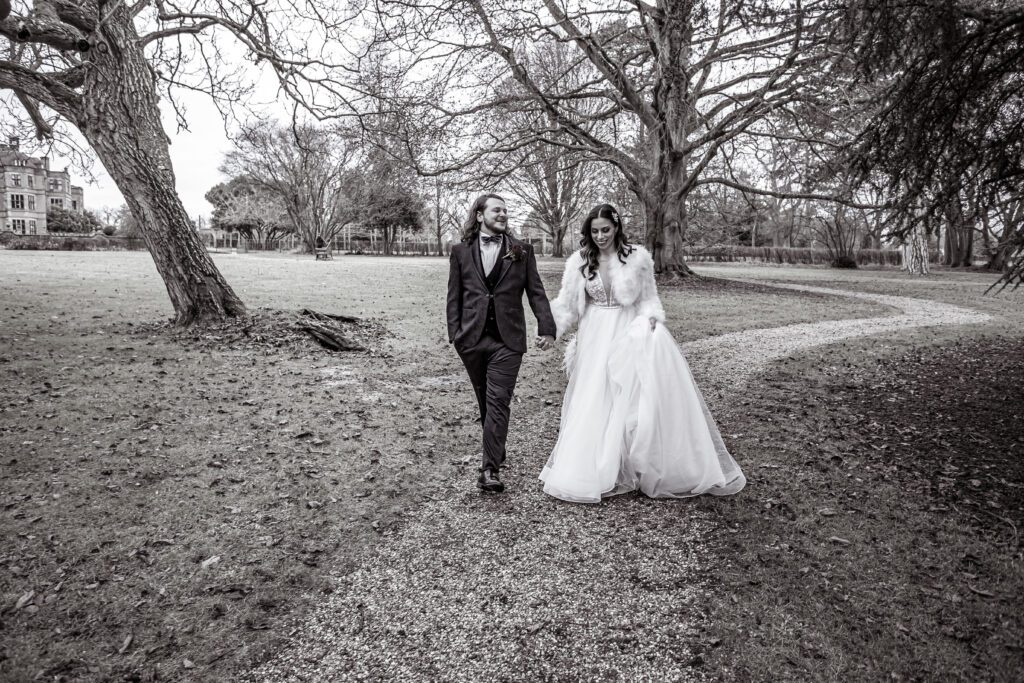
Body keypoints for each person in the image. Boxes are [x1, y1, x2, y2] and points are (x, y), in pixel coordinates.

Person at [541, 204, 746, 503]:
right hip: (595, 334)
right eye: (594, 231)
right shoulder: (579, 262)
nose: (600, 236)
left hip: (627, 331)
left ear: (617, 228)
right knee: (597, 397)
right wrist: (551, 331)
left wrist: (651, 317)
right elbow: (567, 305)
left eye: (606, 230)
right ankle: (599, 468)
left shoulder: (637, 258)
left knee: (631, 399)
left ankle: (636, 466)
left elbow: (649, 299)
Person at [447, 193, 556, 492]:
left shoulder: (522, 251)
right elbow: (454, 295)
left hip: (508, 340)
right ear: (480, 215)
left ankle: (489, 469)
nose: (503, 214)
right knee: (485, 398)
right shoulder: (460, 251)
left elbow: (536, 292)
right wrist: (455, 335)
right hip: (471, 338)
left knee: (498, 400)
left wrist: (546, 328)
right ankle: (496, 447)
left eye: (506, 211)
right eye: (497, 210)